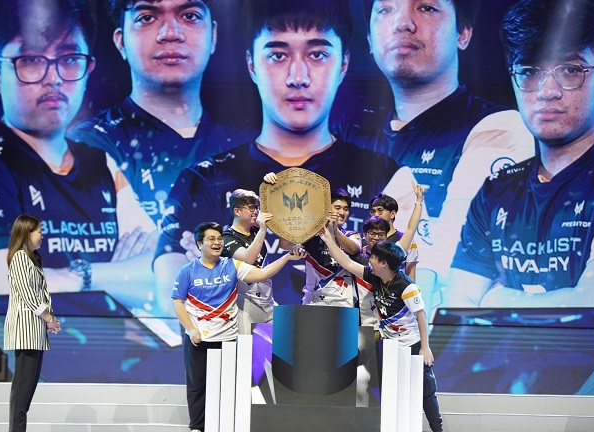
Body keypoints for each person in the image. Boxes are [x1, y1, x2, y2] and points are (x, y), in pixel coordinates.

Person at [154, 0, 423, 317]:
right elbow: (171, 294)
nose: (298, 77)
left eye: (317, 54)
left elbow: (413, 285)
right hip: (242, 342)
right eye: (278, 55)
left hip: (348, 340)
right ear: (251, 65)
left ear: (344, 64)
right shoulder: (201, 181)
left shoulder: (388, 177)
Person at [445, 0, 594, 396]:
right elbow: (456, 310)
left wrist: (494, 299)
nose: (547, 91)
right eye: (529, 71)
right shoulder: (495, 191)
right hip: (494, 407)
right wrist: (567, 304)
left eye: (570, 70)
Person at [0, 0, 157, 315]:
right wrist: (110, 277)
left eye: (70, 59)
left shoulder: (101, 163)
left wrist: (78, 276)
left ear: (88, 69)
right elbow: (5, 286)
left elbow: (161, 276)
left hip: (112, 344)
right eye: (31, 59)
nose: (54, 78)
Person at [339, 0, 535, 312]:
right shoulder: (346, 134)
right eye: (386, 9)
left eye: (426, 8)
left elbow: (447, 279)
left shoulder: (499, 129)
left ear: (463, 33)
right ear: (370, 40)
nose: (402, 23)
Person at [69, 0, 254, 228]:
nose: (170, 33)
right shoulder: (84, 145)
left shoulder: (253, 146)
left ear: (213, 36)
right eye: (147, 17)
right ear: (121, 41)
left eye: (190, 16)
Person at [318, 220, 448, 432]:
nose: (369, 260)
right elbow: (346, 262)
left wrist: (425, 348)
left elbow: (421, 316)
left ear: (384, 263)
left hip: (411, 345)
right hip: (388, 345)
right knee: (386, 389)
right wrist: (328, 238)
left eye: (374, 258)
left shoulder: (407, 287)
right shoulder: (375, 276)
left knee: (426, 390)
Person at [172, 221, 305, 432]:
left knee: (228, 385)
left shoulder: (232, 265)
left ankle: (225, 429)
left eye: (219, 239)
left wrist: (287, 258)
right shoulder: (187, 271)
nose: (217, 243)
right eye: (211, 239)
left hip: (227, 338)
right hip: (198, 339)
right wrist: (191, 329)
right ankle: (197, 430)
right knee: (197, 386)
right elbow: (178, 302)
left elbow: (262, 274)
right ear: (199, 244)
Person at [4, 214, 61, 432]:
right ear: (26, 233)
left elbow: (40, 293)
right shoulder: (20, 257)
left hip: (35, 329)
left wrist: (49, 319)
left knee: (29, 381)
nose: (42, 236)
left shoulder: (33, 259)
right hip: (25, 328)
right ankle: (17, 429)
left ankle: (16, 429)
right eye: (39, 231)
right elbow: (27, 294)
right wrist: (48, 317)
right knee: (24, 381)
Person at [221, 189, 275, 334]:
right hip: (243, 305)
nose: (256, 212)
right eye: (251, 208)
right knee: (245, 346)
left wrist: (269, 181)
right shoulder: (227, 237)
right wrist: (262, 229)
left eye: (257, 207)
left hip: (267, 300)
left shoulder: (256, 230)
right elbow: (248, 258)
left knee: (274, 345)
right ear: (237, 211)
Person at [369, 193, 419, 280]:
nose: (376, 215)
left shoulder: (406, 241)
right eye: (373, 211)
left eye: (380, 211)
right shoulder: (368, 240)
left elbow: (410, 276)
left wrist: (419, 201)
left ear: (392, 214)